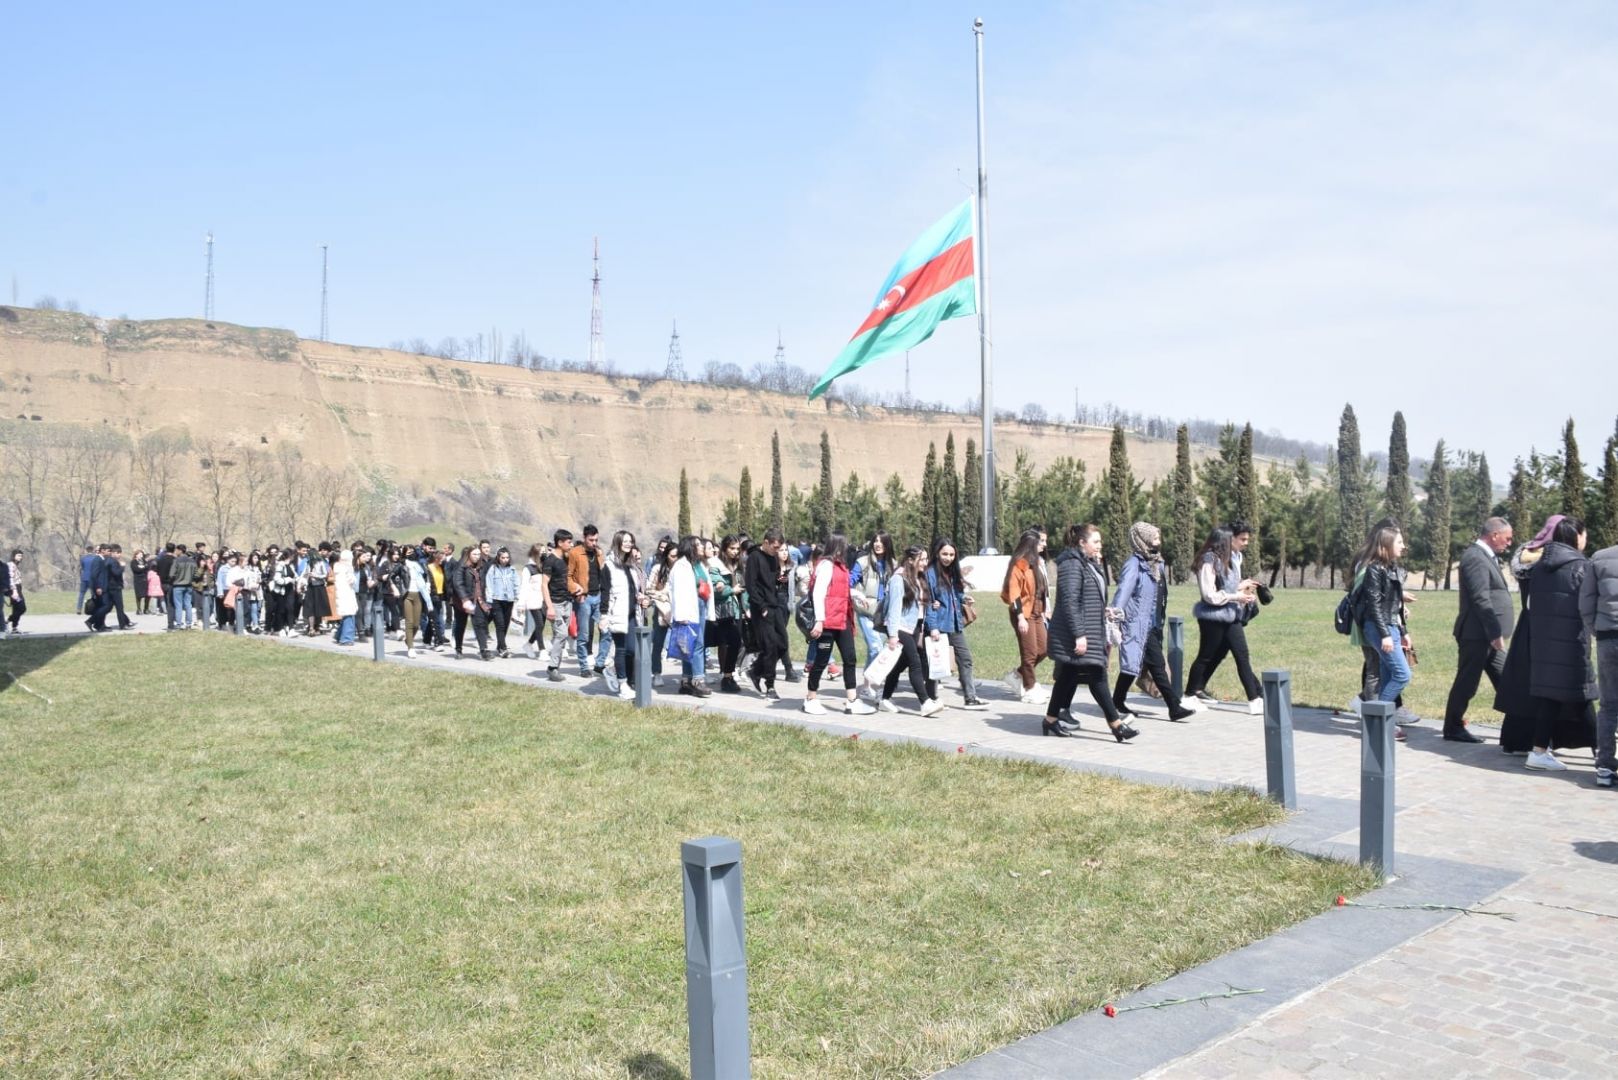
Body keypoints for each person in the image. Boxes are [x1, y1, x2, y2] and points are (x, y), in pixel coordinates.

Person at [1044, 524, 1138, 741]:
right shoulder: (1071, 565)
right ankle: (1116, 725)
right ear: (1081, 543)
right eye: (1095, 541)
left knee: (1068, 676)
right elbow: (1069, 602)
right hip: (1077, 633)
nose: (1099, 545)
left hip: (1090, 628)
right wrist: (1079, 634)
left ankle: (1049, 720)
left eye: (1099, 542)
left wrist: (1101, 608)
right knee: (1097, 675)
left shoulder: (1086, 564)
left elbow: (1088, 596)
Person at [1522, 516, 1597, 772]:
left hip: (1544, 642)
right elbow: (1588, 605)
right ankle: (1603, 754)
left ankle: (1538, 751)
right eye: (1584, 534)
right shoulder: (1582, 566)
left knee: (1550, 697)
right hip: (1572, 641)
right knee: (1584, 694)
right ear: (1576, 537)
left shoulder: (1540, 566)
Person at [1112, 522, 1196, 722]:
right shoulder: (1134, 564)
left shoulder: (1157, 562)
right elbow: (1123, 591)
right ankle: (1174, 707)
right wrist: (1114, 616)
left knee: (1135, 664)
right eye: (1155, 538)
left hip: (1153, 623)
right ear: (1143, 540)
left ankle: (1116, 700)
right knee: (1157, 665)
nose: (1159, 542)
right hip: (1137, 623)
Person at [1443, 516, 1515, 743]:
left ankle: (1521, 728)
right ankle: (1453, 727)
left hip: (1487, 637)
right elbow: (1480, 599)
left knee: (1508, 681)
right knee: (1467, 682)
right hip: (1477, 635)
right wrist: (1494, 632)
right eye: (1507, 538)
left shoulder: (1485, 556)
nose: (1509, 543)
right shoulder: (1475, 557)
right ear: (1494, 535)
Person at [1183, 527, 1263, 714]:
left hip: (1231, 615)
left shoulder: (1230, 558)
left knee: (1241, 655)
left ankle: (1255, 699)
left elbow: (1227, 584)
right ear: (1225, 541)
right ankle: (1189, 696)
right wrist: (1237, 596)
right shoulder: (1208, 561)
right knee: (1205, 656)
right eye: (1238, 539)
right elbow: (1209, 594)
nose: (1244, 543)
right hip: (1213, 618)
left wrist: (1242, 587)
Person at [803, 533, 875, 716]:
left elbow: (840, 589)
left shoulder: (840, 567)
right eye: (844, 546)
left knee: (850, 658)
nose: (847, 549)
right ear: (837, 547)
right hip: (827, 622)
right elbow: (819, 593)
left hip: (842, 620)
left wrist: (857, 595)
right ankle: (810, 698)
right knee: (820, 660)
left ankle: (852, 700)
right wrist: (819, 620)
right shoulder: (826, 566)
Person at [1354, 524, 1414, 736]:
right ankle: (1375, 718)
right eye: (1399, 542)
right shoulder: (1374, 569)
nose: (1403, 546)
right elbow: (1374, 606)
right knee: (1403, 674)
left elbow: (1396, 604)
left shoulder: (1393, 568)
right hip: (1379, 629)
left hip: (1393, 627)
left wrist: (1404, 632)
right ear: (1387, 544)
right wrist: (1385, 635)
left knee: (1389, 676)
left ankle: (1383, 723)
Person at [876, 545, 940, 716]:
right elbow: (894, 608)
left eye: (926, 559)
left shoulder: (919, 577)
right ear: (911, 560)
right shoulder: (899, 578)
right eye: (922, 559)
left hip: (914, 626)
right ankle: (925, 702)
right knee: (915, 662)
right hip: (900, 626)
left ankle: (884, 698)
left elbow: (919, 604)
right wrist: (893, 635)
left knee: (898, 665)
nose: (925, 563)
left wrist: (933, 604)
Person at [925, 537, 986, 709]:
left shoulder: (953, 572)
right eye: (945, 554)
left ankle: (970, 698)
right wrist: (933, 627)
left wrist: (964, 598)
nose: (948, 558)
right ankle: (931, 699)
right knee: (936, 664)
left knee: (965, 658)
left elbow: (956, 594)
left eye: (952, 554)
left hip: (955, 624)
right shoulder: (930, 573)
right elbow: (929, 601)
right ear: (937, 553)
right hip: (939, 625)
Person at [1579, 529, 1618, 788]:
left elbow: (1586, 601)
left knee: (1609, 705)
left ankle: (1604, 766)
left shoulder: (1600, 558)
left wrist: (1595, 628)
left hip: (1608, 638)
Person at [1001, 528, 1049, 703]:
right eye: (1040, 542)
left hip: (1037, 612)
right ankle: (1029, 688)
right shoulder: (1020, 564)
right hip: (1023, 613)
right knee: (1029, 653)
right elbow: (1015, 594)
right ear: (1031, 545)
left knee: (1044, 649)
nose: (1044, 545)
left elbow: (1043, 591)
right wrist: (1021, 617)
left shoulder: (1037, 563)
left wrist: (1045, 610)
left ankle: (1018, 675)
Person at [745, 529, 789, 699]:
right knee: (769, 646)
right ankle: (770, 685)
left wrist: (779, 579)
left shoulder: (774, 558)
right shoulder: (755, 558)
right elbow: (751, 584)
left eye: (779, 548)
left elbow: (771, 579)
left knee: (782, 644)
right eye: (775, 547)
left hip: (774, 604)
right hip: (761, 608)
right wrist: (761, 605)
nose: (777, 551)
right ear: (766, 542)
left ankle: (756, 671)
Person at [668, 536, 711, 697]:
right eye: (698, 545)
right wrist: (681, 615)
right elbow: (678, 592)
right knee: (697, 644)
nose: (702, 547)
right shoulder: (681, 566)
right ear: (690, 547)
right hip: (688, 610)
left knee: (689, 645)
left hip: (699, 605)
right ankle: (698, 681)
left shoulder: (697, 564)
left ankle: (686, 680)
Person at [601, 530, 643, 698]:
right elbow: (605, 592)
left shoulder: (631, 565)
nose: (628, 544)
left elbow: (632, 589)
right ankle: (623, 684)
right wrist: (604, 615)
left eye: (630, 541)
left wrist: (640, 597)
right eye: (625, 541)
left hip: (633, 613)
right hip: (617, 613)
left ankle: (612, 669)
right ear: (617, 542)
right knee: (621, 649)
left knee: (632, 650)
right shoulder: (609, 565)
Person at [851, 533, 895, 679]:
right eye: (875, 541)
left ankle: (867, 682)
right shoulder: (862, 562)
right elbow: (848, 582)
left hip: (883, 613)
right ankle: (870, 684)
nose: (877, 544)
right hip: (865, 610)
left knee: (878, 650)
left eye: (881, 541)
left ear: (887, 544)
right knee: (875, 647)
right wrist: (857, 595)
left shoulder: (893, 565)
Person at [570, 525, 612, 678]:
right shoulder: (575, 553)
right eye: (591, 540)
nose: (594, 543)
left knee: (607, 631)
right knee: (584, 635)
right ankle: (583, 667)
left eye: (596, 540)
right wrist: (575, 589)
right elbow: (568, 576)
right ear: (584, 538)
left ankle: (599, 664)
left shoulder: (599, 553)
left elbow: (604, 574)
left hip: (599, 597)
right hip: (584, 598)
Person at [709, 536, 746, 693]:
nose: (735, 552)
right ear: (724, 548)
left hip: (736, 610)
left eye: (737, 549)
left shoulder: (739, 565)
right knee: (726, 643)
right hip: (721, 610)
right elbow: (715, 589)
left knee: (735, 643)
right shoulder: (716, 564)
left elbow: (744, 586)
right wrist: (731, 590)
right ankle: (725, 676)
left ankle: (728, 675)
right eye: (732, 548)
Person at [542, 530, 577, 682]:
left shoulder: (566, 559)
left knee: (561, 635)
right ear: (560, 543)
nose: (571, 544)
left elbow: (566, 579)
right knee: (561, 634)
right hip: (554, 604)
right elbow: (544, 585)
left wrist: (576, 587)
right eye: (568, 542)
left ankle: (555, 666)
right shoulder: (550, 561)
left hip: (567, 602)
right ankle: (552, 668)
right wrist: (549, 607)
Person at [485, 546, 519, 658]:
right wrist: (489, 600)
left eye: (507, 557)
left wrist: (517, 596)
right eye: (503, 557)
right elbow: (489, 585)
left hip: (509, 600)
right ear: (498, 558)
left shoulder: (512, 569)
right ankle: (503, 648)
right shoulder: (493, 569)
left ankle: (500, 646)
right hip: (496, 600)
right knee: (500, 624)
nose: (505, 559)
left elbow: (516, 584)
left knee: (505, 624)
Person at [332, 549, 358, 646]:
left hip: (342, 594)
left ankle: (339, 635)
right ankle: (346, 639)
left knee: (347, 615)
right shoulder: (347, 568)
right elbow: (352, 581)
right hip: (346, 594)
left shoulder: (337, 567)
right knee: (349, 616)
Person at [168, 544, 197, 630]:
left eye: (177, 550)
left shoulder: (176, 561)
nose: (175, 552)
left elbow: (171, 574)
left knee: (178, 605)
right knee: (188, 605)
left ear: (180, 551)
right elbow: (196, 574)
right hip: (188, 585)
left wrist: (175, 579)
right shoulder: (192, 561)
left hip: (178, 585)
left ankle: (179, 624)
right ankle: (188, 624)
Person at [5, 550, 25, 634]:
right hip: (14, 589)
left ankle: (14, 628)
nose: (20, 557)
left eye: (21, 556)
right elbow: (10, 578)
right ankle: (6, 621)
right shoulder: (10, 565)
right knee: (22, 608)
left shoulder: (15, 565)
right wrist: (14, 591)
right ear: (13, 556)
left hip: (18, 588)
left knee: (16, 608)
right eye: (18, 555)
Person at [75, 544, 97, 615]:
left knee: (81, 593)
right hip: (92, 578)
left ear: (86, 550)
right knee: (93, 594)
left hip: (84, 578)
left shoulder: (83, 558)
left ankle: (79, 609)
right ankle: (94, 608)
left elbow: (82, 567)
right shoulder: (95, 558)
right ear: (92, 550)